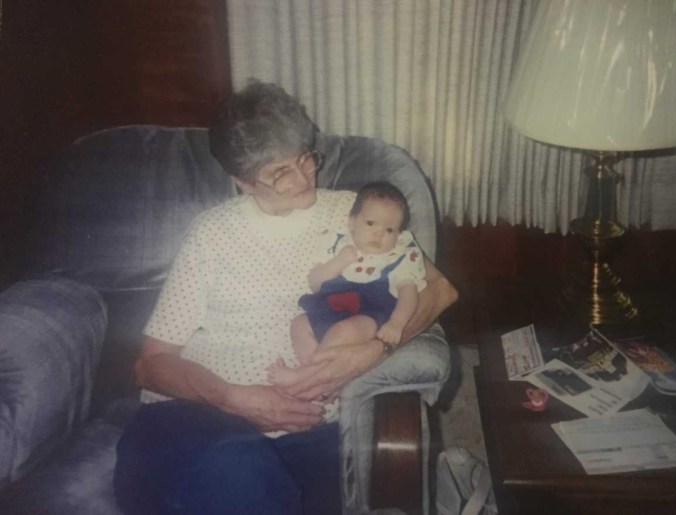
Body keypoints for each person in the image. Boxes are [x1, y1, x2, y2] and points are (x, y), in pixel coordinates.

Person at [113, 79, 457, 515]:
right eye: (280, 173)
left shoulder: (357, 213)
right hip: (196, 417)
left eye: (305, 159)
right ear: (242, 182)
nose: (303, 179)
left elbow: (440, 290)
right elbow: (150, 364)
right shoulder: (212, 233)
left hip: (309, 431)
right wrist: (230, 397)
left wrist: (373, 350)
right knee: (241, 470)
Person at [267, 181, 427, 387]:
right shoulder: (336, 244)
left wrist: (397, 323)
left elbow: (409, 293)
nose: (379, 233)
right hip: (328, 309)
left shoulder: (398, 256)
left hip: (366, 317)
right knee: (299, 324)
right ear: (352, 222)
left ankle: (303, 375)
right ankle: (317, 373)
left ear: (398, 234)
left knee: (344, 331)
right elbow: (315, 284)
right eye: (371, 223)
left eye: (389, 230)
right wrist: (339, 262)